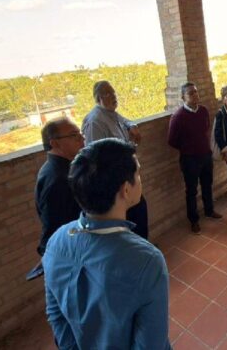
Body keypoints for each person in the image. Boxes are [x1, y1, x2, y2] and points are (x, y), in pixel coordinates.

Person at [43, 139, 171, 350]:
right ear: (125, 190)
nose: (141, 179)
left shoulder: (56, 240)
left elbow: (56, 315)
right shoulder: (147, 260)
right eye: (138, 173)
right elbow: (151, 344)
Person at [82, 80, 149, 239]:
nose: (113, 96)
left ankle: (143, 247)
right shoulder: (95, 122)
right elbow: (96, 160)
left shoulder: (111, 114)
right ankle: (137, 251)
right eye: (108, 94)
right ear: (99, 98)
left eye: (113, 92)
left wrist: (132, 125)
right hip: (116, 187)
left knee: (140, 216)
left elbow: (125, 120)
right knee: (131, 222)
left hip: (128, 180)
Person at [168, 82, 222, 234]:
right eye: (190, 93)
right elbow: (171, 141)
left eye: (196, 92)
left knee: (207, 185)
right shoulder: (178, 117)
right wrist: (188, 148)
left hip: (205, 155)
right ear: (183, 97)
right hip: (189, 159)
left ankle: (209, 210)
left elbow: (206, 128)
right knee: (191, 191)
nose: (195, 95)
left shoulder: (203, 111)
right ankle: (194, 220)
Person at [35, 117, 84, 257]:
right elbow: (55, 228)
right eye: (74, 135)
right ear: (55, 143)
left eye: (80, 133)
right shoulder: (58, 179)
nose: (81, 138)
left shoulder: (67, 168)